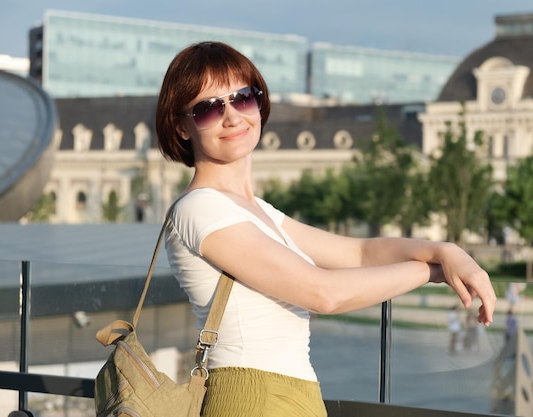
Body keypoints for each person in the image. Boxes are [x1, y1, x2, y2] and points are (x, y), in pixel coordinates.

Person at [155, 41, 497, 417]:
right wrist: (430, 271)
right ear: (181, 128)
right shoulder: (201, 208)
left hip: (293, 392)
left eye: (242, 98)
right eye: (207, 109)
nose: (233, 117)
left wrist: (446, 252)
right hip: (251, 395)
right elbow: (324, 293)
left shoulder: (257, 211)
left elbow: (358, 254)